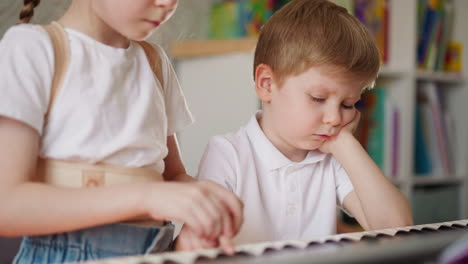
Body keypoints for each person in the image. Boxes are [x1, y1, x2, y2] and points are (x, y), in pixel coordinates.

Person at [0, 0, 243, 262]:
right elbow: (8, 206)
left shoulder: (155, 63)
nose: (167, 3)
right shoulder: (32, 48)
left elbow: (172, 178)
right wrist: (147, 197)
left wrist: (205, 201)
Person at [195, 0, 413, 245]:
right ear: (267, 84)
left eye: (348, 104)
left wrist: (345, 145)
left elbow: (397, 228)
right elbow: (203, 243)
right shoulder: (227, 154)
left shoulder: (333, 158)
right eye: (318, 98)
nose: (335, 118)